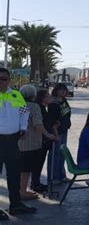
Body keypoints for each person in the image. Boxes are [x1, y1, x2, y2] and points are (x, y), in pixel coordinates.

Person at [0, 68, 37, 221]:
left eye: (4, 78)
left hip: (12, 141)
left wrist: (23, 128)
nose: (1, 81)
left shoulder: (15, 95)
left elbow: (24, 112)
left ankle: (16, 205)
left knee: (14, 175)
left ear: (9, 80)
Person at [18, 85, 56, 200]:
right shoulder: (34, 106)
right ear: (33, 95)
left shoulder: (18, 105)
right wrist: (48, 134)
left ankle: (21, 189)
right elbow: (37, 124)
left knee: (22, 169)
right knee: (26, 169)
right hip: (31, 142)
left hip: (19, 142)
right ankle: (23, 191)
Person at [32, 89, 57, 193]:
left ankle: (36, 182)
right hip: (40, 140)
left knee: (39, 163)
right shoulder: (37, 107)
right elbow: (39, 124)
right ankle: (35, 184)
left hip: (44, 139)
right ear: (42, 97)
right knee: (37, 163)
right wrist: (48, 135)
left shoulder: (43, 107)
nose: (50, 97)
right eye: (47, 96)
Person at [48, 83, 72, 183]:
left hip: (64, 130)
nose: (63, 92)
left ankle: (61, 176)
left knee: (62, 154)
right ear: (56, 90)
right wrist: (55, 134)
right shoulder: (53, 102)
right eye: (60, 90)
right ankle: (53, 177)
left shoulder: (63, 100)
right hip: (57, 132)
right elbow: (52, 120)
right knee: (55, 154)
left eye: (64, 90)